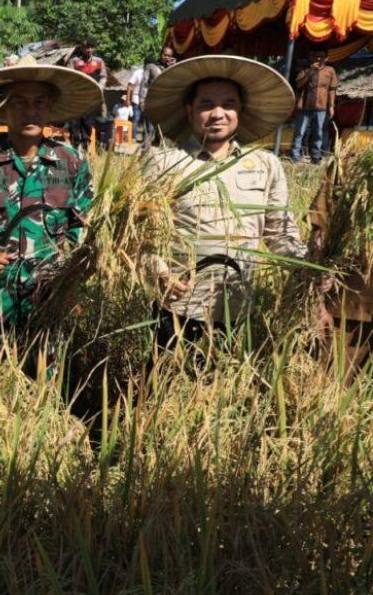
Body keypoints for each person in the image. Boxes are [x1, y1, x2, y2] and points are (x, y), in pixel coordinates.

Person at [0, 59, 99, 372]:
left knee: (46, 382)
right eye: (19, 102)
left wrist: (66, 270)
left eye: (39, 102)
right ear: (4, 107)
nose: (30, 112)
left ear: (50, 107)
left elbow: (82, 225)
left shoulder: (72, 163)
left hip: (47, 298)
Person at [142, 55, 305, 351]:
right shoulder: (164, 163)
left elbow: (280, 233)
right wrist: (161, 272)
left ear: (239, 111)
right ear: (190, 111)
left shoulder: (265, 164)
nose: (218, 114)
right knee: (165, 378)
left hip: (237, 309)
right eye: (207, 105)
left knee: (226, 376)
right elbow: (140, 235)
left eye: (228, 105)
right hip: (179, 308)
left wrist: (309, 264)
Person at [308, 147, 373, 384]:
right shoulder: (351, 161)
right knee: (334, 393)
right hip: (351, 313)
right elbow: (320, 235)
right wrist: (316, 302)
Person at [291, 48, 338, 164]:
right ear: (311, 57)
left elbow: (332, 89)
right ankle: (295, 156)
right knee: (299, 132)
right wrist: (310, 71)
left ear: (326, 58)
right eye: (316, 56)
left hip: (321, 106)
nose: (318, 58)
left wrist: (331, 106)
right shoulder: (305, 69)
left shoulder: (330, 70)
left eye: (321, 56)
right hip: (304, 106)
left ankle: (316, 156)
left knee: (318, 133)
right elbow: (298, 84)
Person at [67, 40, 108, 150]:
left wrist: (99, 88)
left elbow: (103, 77)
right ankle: (74, 152)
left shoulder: (99, 62)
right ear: (82, 48)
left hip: (91, 100)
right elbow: (68, 77)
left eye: (91, 47)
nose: (89, 50)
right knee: (74, 129)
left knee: (87, 128)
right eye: (86, 47)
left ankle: (85, 153)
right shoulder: (74, 61)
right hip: (76, 100)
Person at [140, 46, 177, 149]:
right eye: (165, 55)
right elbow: (144, 84)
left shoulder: (173, 68)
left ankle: (163, 153)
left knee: (165, 130)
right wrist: (142, 100)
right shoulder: (151, 66)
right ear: (161, 55)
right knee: (150, 129)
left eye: (169, 56)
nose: (167, 57)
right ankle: (145, 152)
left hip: (166, 103)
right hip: (152, 102)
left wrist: (173, 67)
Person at [126, 64, 144, 140]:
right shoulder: (138, 73)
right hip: (136, 99)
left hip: (148, 99)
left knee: (147, 120)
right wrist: (128, 99)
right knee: (136, 118)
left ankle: (146, 138)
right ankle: (134, 137)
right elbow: (129, 85)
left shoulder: (153, 72)